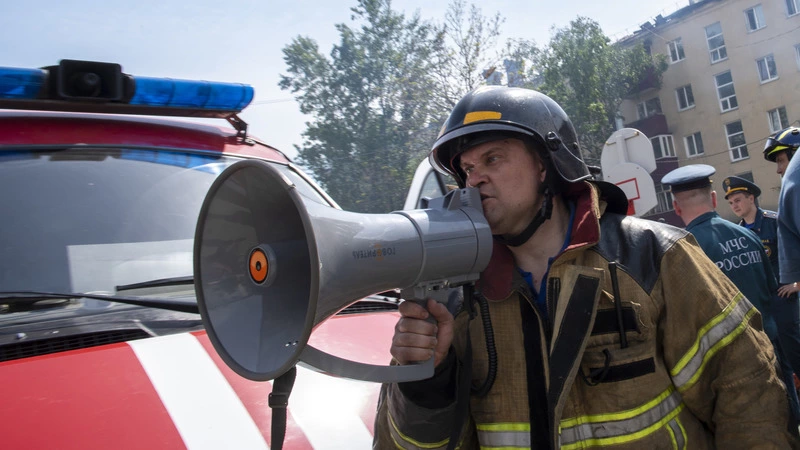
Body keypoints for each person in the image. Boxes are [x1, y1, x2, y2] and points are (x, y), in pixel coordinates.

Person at [373, 86, 798, 449]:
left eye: (493, 159)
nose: (475, 180)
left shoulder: (652, 255)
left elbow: (749, 394)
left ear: (545, 163)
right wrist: (425, 381)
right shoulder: (454, 300)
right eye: (466, 169)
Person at [723, 176, 800, 376]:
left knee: (793, 351)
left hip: (783, 299)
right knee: (772, 359)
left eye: (738, 200)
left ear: (751, 198)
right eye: (731, 203)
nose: (734, 206)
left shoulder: (774, 221)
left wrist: (798, 284)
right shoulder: (737, 233)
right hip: (759, 303)